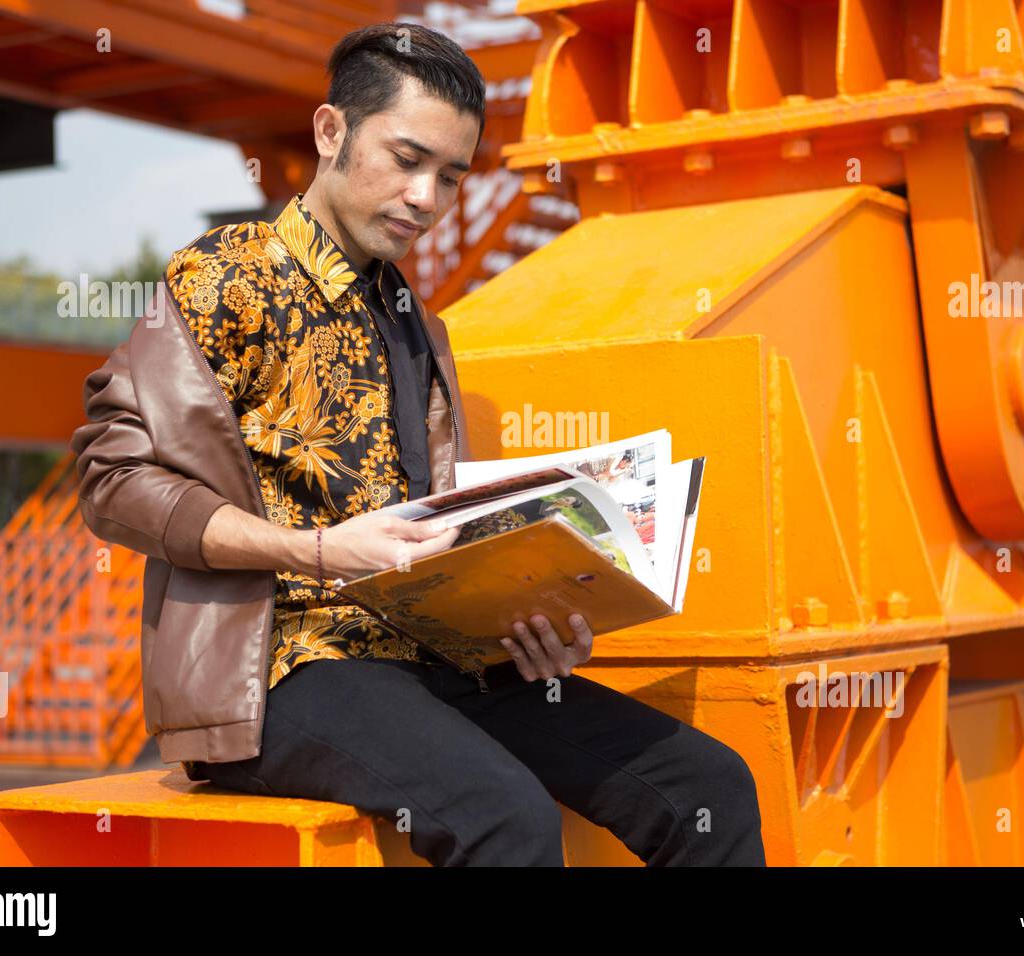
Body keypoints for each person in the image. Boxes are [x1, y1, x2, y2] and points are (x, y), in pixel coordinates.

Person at [71, 21, 765, 867]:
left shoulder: (414, 321)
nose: (428, 200)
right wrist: (316, 550)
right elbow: (113, 476)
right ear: (332, 132)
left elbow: (430, 530)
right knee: (505, 818)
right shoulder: (223, 278)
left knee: (710, 785)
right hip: (284, 665)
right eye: (406, 160)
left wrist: (526, 619)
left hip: (435, 658)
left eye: (449, 175)